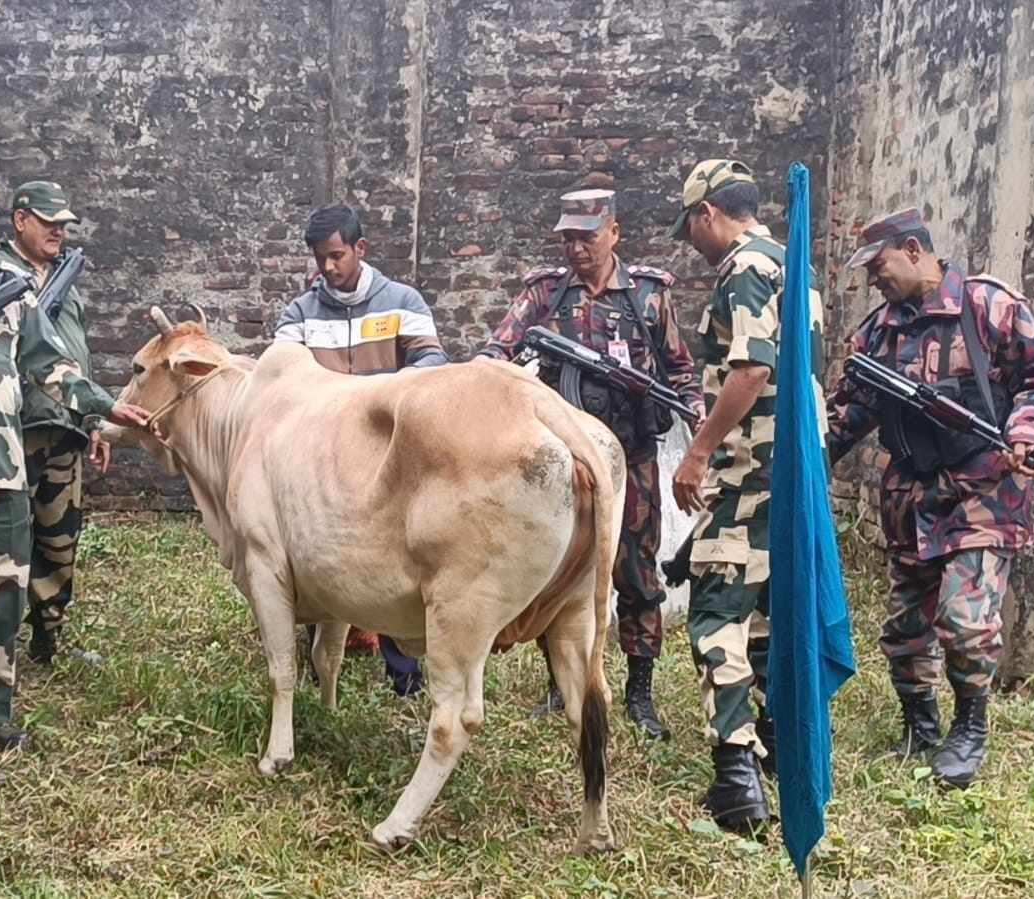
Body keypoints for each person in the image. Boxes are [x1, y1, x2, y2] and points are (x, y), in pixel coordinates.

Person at [827, 208, 1034, 788]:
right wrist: (804, 458)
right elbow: (850, 412)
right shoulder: (876, 333)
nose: (873, 281)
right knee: (904, 629)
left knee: (964, 620)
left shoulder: (988, 306)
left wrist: (1029, 432)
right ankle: (920, 725)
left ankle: (970, 727)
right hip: (911, 495)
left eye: (879, 265)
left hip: (983, 490)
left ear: (914, 250)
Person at [478, 188, 703, 740]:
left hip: (632, 457)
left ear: (614, 233)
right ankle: (560, 684)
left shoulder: (649, 296)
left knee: (637, 571)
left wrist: (696, 416)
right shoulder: (545, 295)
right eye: (568, 238)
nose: (577, 248)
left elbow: (681, 371)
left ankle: (639, 692)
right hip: (564, 466)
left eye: (587, 237)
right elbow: (495, 353)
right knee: (556, 570)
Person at [669, 159, 821, 832]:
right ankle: (772, 747)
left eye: (689, 228)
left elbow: (753, 365)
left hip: (748, 472)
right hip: (790, 470)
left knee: (713, 612)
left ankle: (734, 774)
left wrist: (698, 450)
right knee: (760, 619)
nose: (691, 243)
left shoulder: (743, 268)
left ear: (707, 214)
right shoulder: (793, 264)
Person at [273, 203, 447, 697]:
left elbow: (432, 358)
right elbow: (281, 377)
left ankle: (404, 673)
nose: (327, 268)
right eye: (319, 258)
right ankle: (319, 659)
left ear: (359, 249)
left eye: (336, 256)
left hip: (385, 455)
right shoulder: (300, 313)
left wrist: (388, 392)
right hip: (321, 461)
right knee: (319, 548)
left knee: (392, 556)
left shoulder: (401, 301)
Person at [0, 180, 94, 667]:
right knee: (6, 537)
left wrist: (92, 420)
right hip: (10, 428)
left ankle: (47, 637)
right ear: (21, 220)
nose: (59, 231)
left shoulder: (64, 278)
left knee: (60, 539)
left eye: (63, 224)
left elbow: (75, 354)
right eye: (49, 222)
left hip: (64, 429)